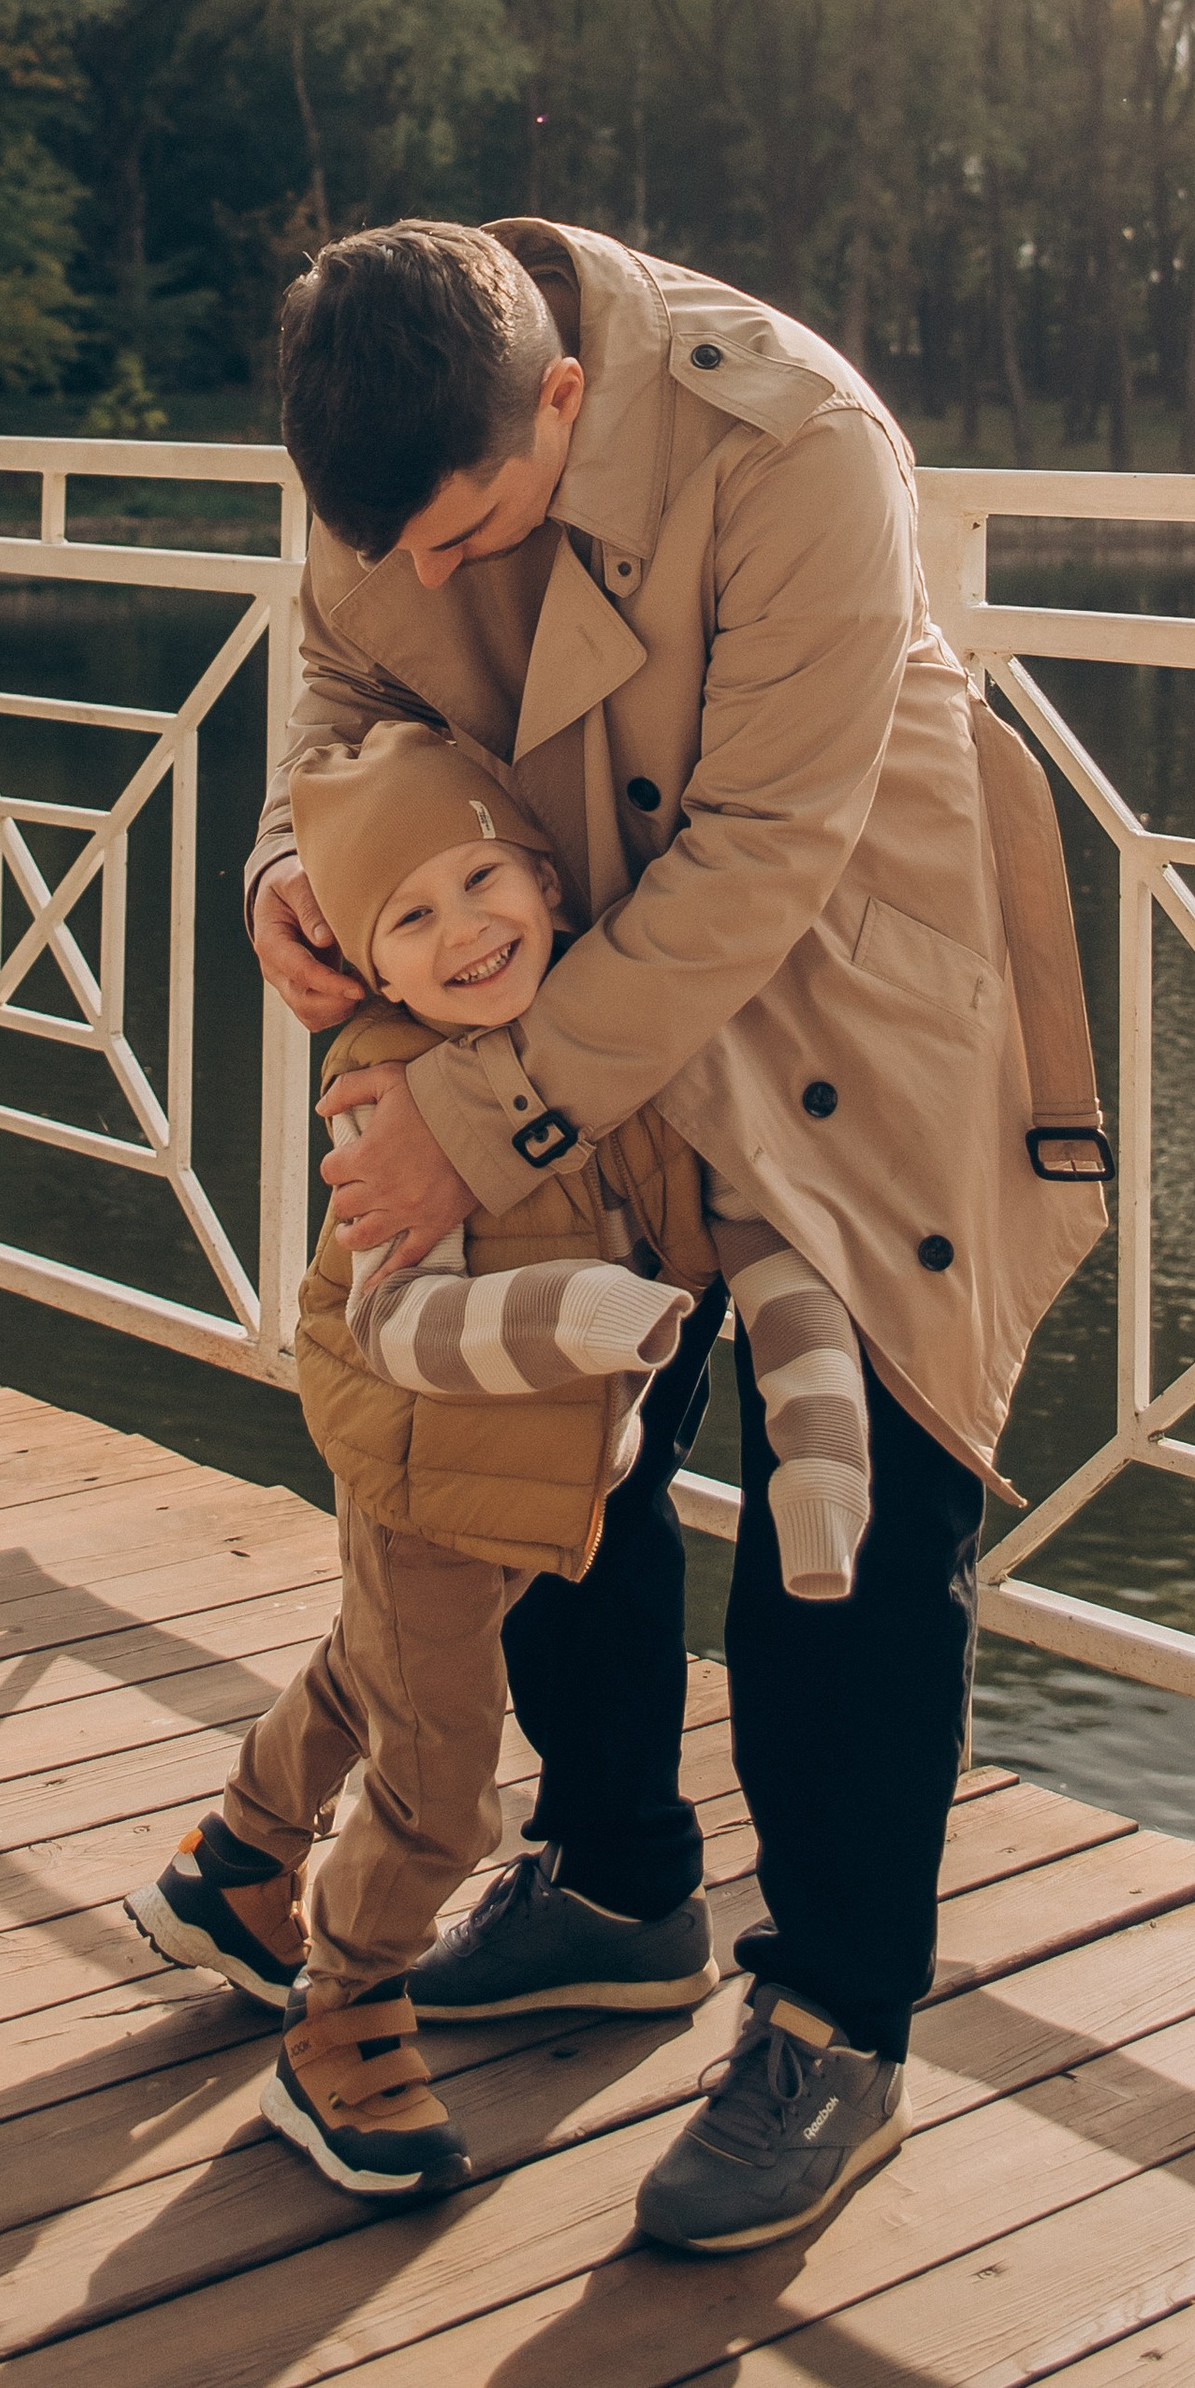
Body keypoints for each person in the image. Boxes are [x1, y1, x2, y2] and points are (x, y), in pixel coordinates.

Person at [243, 217, 1110, 2255]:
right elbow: (340, 668)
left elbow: (756, 856)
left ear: (558, 396)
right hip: (542, 944)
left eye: (473, 536)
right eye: (411, 548)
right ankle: (619, 1886)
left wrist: (470, 1117)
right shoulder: (400, 410)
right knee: (544, 1432)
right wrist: (298, 847)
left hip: (835, 988)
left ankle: (836, 2024)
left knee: (861, 1509)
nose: (438, 574)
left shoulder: (798, 441)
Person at [127, 718, 876, 2208]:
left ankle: (239, 1866)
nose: (464, 931)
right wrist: (589, 1317)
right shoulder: (384, 1091)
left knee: (375, 1668)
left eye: (483, 880)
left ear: (543, 872)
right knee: (442, 1775)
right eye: (409, 916)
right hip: (420, 1459)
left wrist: (820, 1436)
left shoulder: (627, 1053)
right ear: (367, 963)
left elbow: (758, 1234)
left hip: (544, 1473)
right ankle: (341, 2017)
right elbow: (402, 1325)